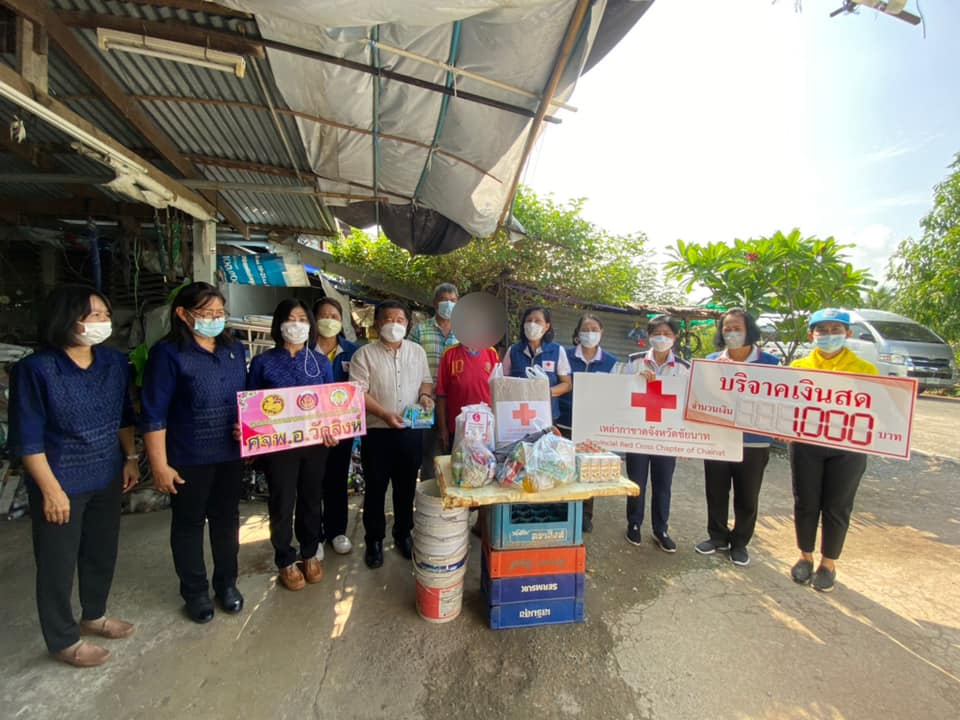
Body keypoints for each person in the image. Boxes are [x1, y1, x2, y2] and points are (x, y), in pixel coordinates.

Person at [9, 285, 139, 667]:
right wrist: (51, 490)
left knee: (101, 550)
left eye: (105, 314)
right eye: (93, 314)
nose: (103, 321)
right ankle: (63, 639)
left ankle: (94, 615)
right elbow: (28, 438)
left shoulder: (113, 363)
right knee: (57, 562)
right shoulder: (36, 370)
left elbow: (123, 415)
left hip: (106, 473)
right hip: (60, 479)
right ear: (66, 318)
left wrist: (130, 457)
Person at [141, 282, 248, 623]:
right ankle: (195, 592)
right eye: (206, 313)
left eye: (219, 313)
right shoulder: (168, 354)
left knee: (227, 520)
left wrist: (248, 429)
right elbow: (154, 413)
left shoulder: (234, 349)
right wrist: (159, 464)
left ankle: (227, 584)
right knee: (189, 524)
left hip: (230, 453)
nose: (214, 319)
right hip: (188, 455)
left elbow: (246, 399)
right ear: (183, 314)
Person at [248, 300, 337, 591]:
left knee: (312, 499)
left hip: (315, 445)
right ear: (279, 324)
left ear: (310, 325)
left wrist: (333, 428)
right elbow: (251, 406)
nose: (296, 324)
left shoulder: (320, 362)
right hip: (279, 448)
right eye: (290, 318)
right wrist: (251, 432)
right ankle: (285, 559)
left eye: (302, 319)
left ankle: (310, 553)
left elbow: (330, 405)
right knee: (282, 502)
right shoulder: (263, 362)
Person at [788, 308, 878, 592]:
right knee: (805, 501)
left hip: (848, 448)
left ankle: (828, 563)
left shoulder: (865, 370)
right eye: (822, 330)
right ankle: (805, 556)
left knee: (837, 505)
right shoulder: (798, 368)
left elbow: (879, 410)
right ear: (811, 335)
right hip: (806, 445)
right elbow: (785, 405)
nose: (828, 335)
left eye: (835, 330)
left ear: (847, 333)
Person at [349, 300, 433, 569]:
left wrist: (425, 396)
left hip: (410, 431)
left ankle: (403, 533)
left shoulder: (417, 352)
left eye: (400, 319)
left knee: (406, 486)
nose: (394, 324)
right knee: (375, 488)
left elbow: (426, 381)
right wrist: (384, 414)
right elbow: (358, 392)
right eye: (388, 319)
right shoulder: (363, 355)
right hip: (378, 432)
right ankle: (374, 540)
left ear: (408, 324)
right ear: (377, 323)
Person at [694, 309, 779, 566]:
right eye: (727, 329)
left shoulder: (771, 363)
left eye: (737, 328)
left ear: (749, 330)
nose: (731, 333)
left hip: (753, 440)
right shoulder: (711, 361)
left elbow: (779, 401)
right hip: (718, 438)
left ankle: (740, 542)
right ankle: (717, 536)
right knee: (716, 491)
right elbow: (699, 396)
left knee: (747, 494)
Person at [621, 315, 688, 552]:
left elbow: (686, 403)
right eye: (657, 333)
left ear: (675, 337)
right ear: (649, 336)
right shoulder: (634, 361)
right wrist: (635, 381)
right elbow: (620, 392)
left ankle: (661, 529)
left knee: (663, 484)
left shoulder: (684, 367)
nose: (662, 338)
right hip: (638, 432)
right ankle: (634, 523)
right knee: (636, 482)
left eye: (667, 334)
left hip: (666, 436)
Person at [556, 313, 618, 533]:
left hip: (592, 425)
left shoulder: (610, 362)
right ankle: (561, 508)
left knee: (587, 469)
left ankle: (585, 513)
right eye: (585, 329)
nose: (590, 333)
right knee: (562, 466)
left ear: (601, 333)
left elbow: (613, 394)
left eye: (594, 329)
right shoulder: (564, 355)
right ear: (578, 332)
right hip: (565, 420)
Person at [313, 297, 360, 555]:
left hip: (342, 428)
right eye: (324, 315)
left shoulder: (351, 351)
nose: (329, 320)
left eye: (334, 316)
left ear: (341, 321)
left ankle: (337, 531)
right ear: (314, 319)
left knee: (337, 478)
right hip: (311, 429)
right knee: (311, 483)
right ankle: (314, 537)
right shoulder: (304, 349)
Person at [409, 283, 459, 481]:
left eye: (453, 300)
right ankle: (428, 492)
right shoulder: (420, 330)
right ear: (435, 302)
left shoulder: (464, 331)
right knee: (428, 454)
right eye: (444, 300)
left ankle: (452, 495)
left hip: (455, 404)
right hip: (426, 402)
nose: (449, 304)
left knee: (455, 453)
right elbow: (408, 363)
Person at [501, 305, 572, 424]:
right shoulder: (513, 350)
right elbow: (502, 382)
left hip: (547, 415)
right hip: (517, 415)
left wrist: (546, 392)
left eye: (538, 321)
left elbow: (567, 384)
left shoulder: (557, 351)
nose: (532, 324)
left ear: (547, 326)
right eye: (529, 320)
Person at [435, 341, 500, 452]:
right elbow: (441, 395)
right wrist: (443, 430)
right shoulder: (449, 354)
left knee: (485, 462)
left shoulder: (491, 353)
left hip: (485, 429)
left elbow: (498, 391)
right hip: (457, 429)